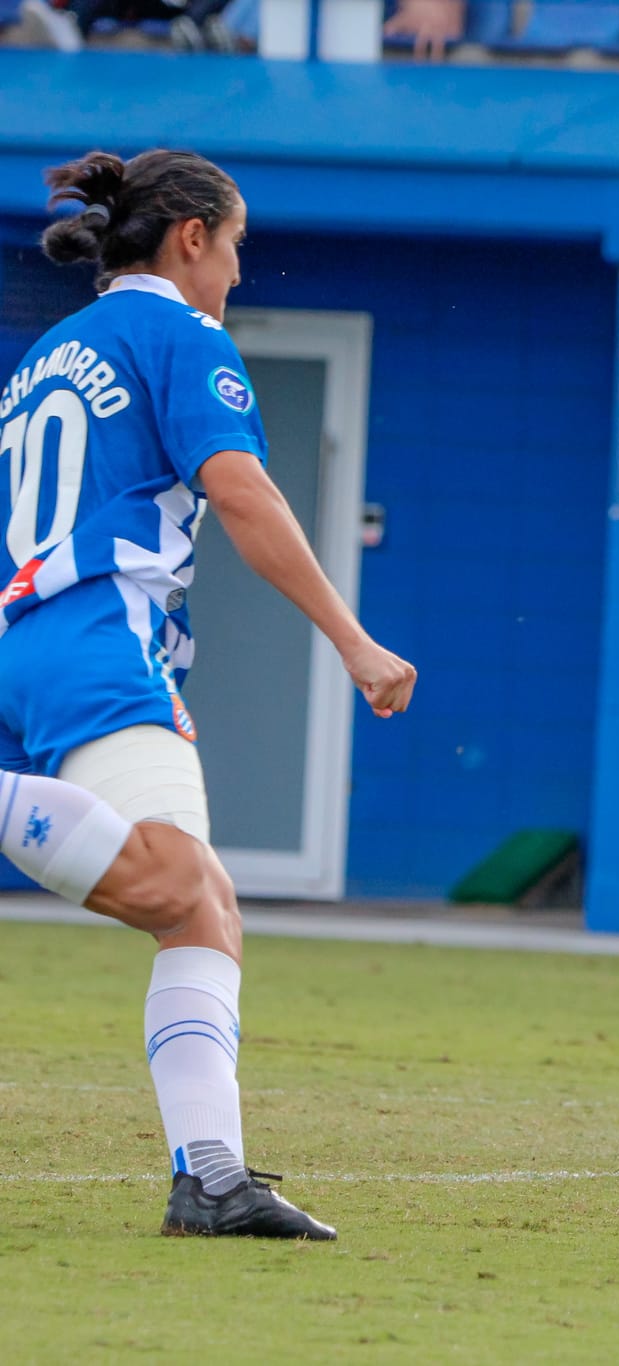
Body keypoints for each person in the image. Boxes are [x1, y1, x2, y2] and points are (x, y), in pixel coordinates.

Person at [2, 150, 416, 1238]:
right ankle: (213, 1180)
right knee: (172, 882)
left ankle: (213, 1178)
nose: (236, 271)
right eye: (234, 246)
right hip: (99, 637)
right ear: (190, 235)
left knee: (202, 906)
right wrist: (354, 640)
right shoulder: (182, 334)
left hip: (40, 636)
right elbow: (241, 492)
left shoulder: (46, 355)